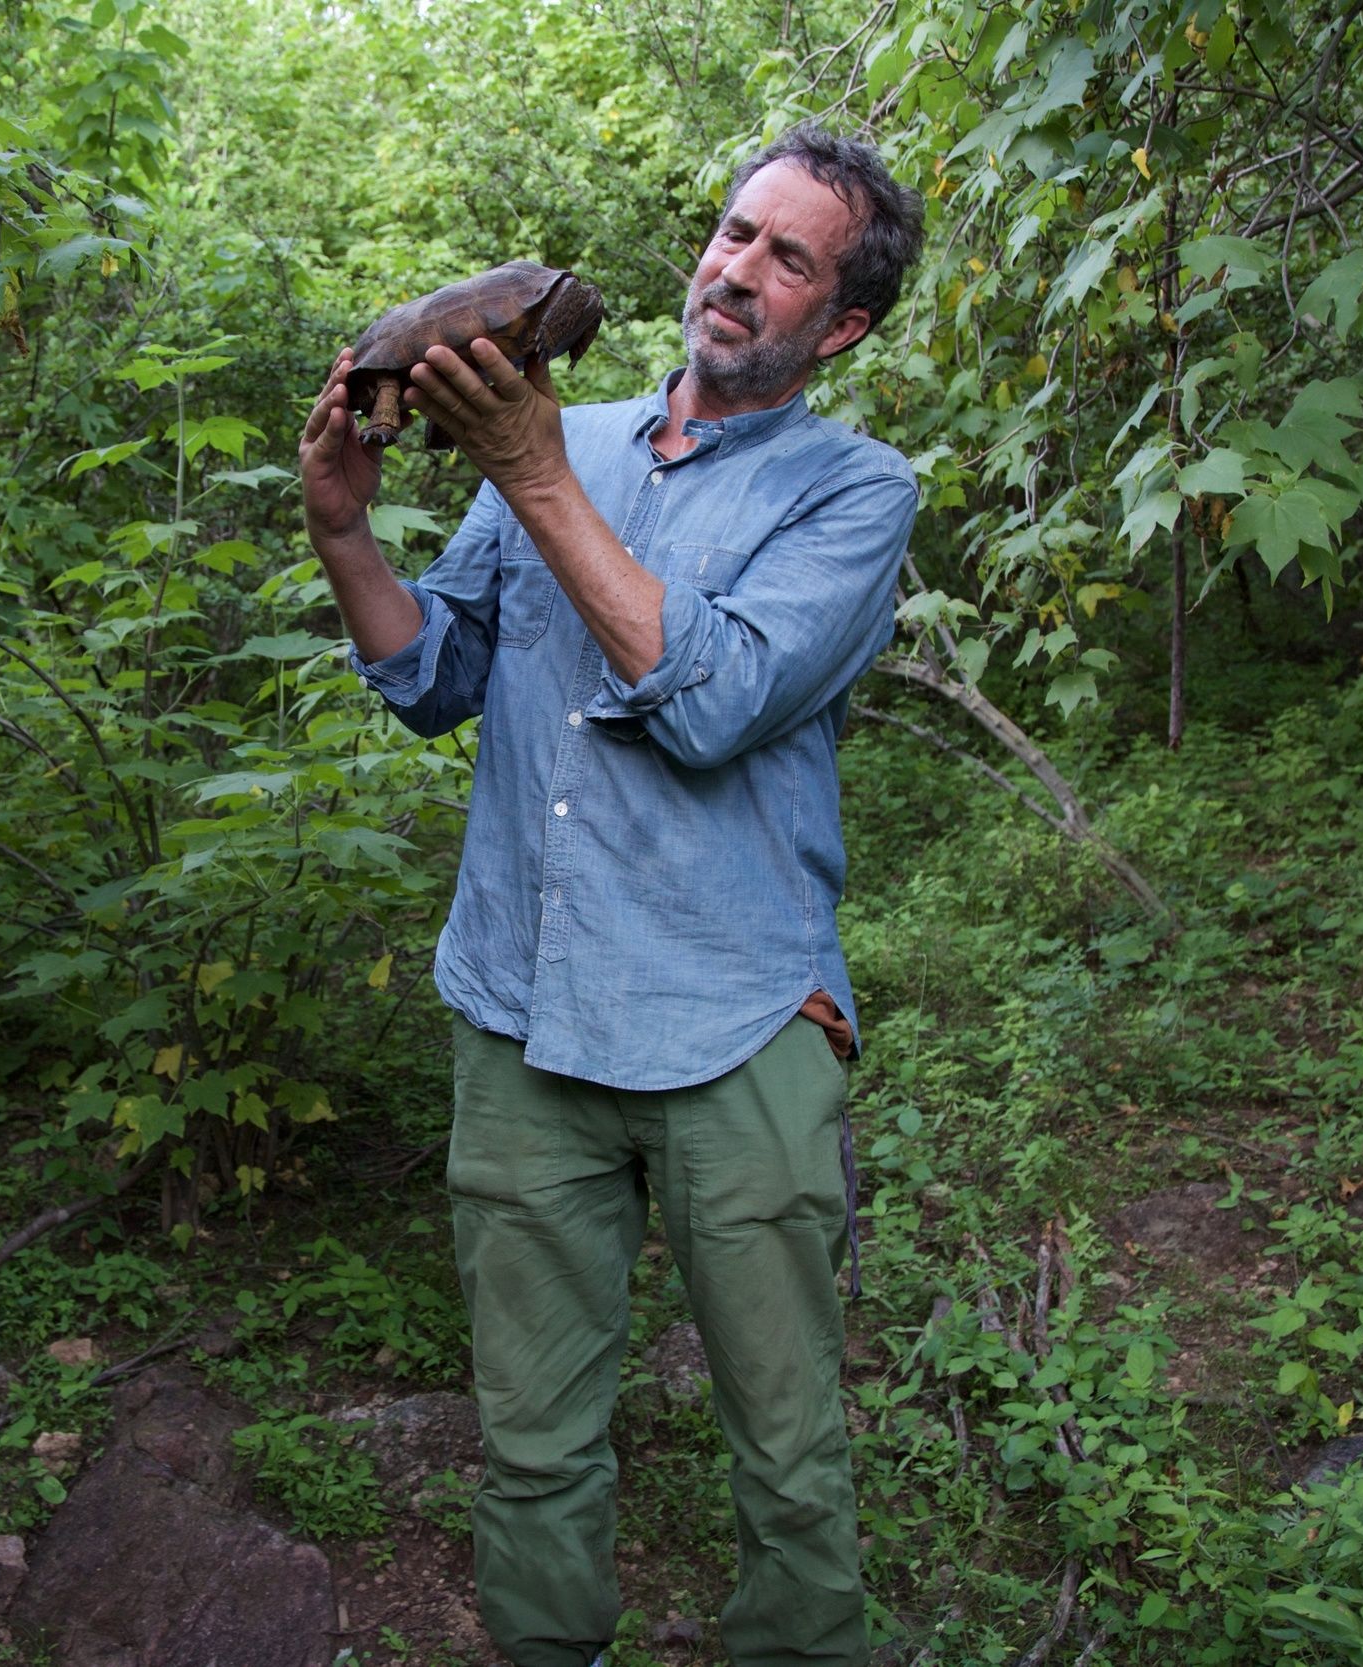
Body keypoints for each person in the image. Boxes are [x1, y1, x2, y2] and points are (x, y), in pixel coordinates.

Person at [297, 124, 925, 1667]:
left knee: (786, 1454)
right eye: (732, 233)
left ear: (839, 323)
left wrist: (522, 465)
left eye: (790, 258)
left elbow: (711, 698)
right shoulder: (564, 448)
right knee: (531, 1442)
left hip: (733, 1024)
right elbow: (436, 673)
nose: (737, 270)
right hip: (522, 1014)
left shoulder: (856, 496)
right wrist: (341, 528)